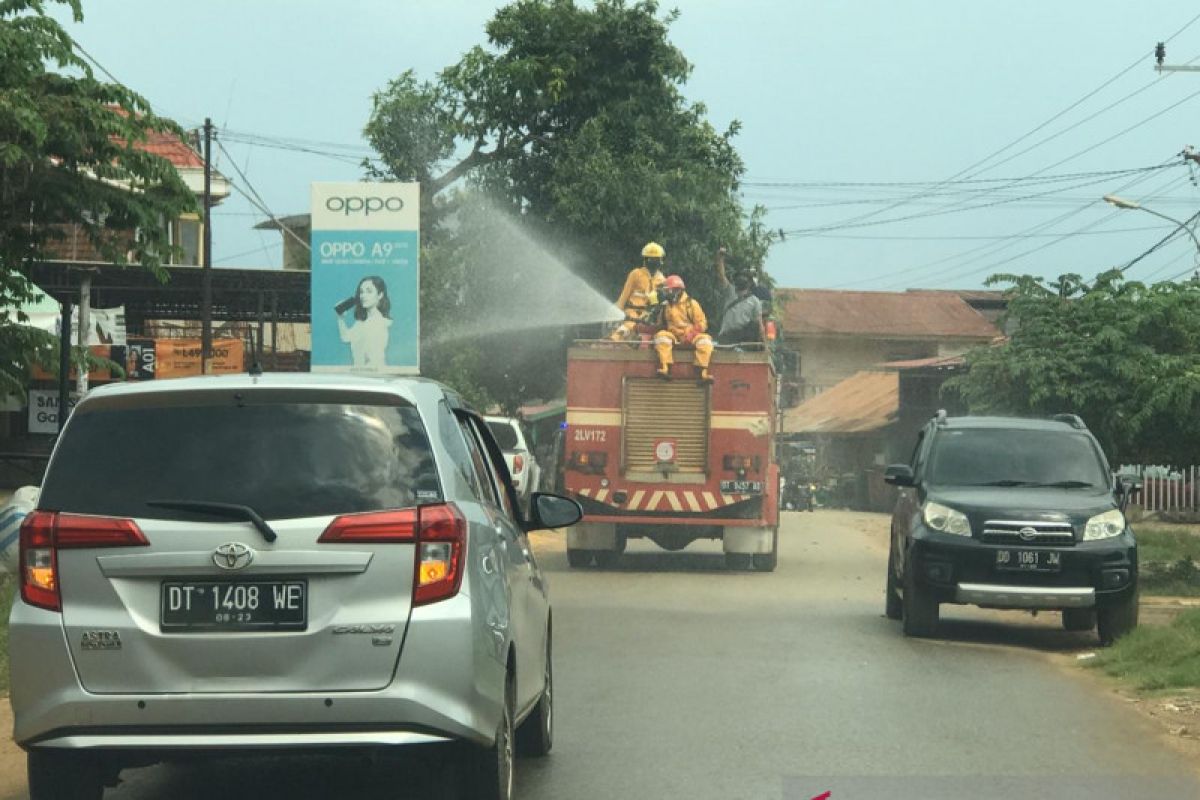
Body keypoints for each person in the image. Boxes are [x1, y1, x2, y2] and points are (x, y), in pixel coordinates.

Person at [653, 275, 714, 382]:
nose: (666, 294)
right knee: (661, 337)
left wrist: (691, 335)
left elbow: (702, 323)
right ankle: (665, 368)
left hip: (690, 337)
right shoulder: (665, 306)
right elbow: (660, 325)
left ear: (677, 290)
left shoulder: (691, 304)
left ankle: (703, 372)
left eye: (668, 291)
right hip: (673, 337)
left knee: (705, 341)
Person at [609, 242, 667, 341]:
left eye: (657, 259)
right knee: (629, 326)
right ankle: (612, 340)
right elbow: (624, 295)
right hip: (632, 311)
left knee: (647, 329)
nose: (655, 262)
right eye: (652, 259)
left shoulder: (662, 279)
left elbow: (660, 302)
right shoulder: (636, 274)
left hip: (648, 313)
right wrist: (615, 313)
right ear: (645, 260)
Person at [335, 275, 392, 369]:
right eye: (361, 292)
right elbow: (346, 337)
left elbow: (373, 360)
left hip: (372, 375)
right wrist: (340, 318)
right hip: (361, 373)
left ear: (380, 295)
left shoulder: (379, 323)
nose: (363, 296)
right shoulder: (362, 323)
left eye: (369, 291)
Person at [714, 247, 765, 345]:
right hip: (727, 336)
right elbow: (721, 275)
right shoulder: (730, 290)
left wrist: (764, 346)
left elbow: (759, 325)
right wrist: (720, 259)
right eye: (740, 276)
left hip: (743, 339)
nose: (742, 279)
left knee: (755, 325)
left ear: (749, 282)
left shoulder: (755, 301)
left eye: (745, 277)